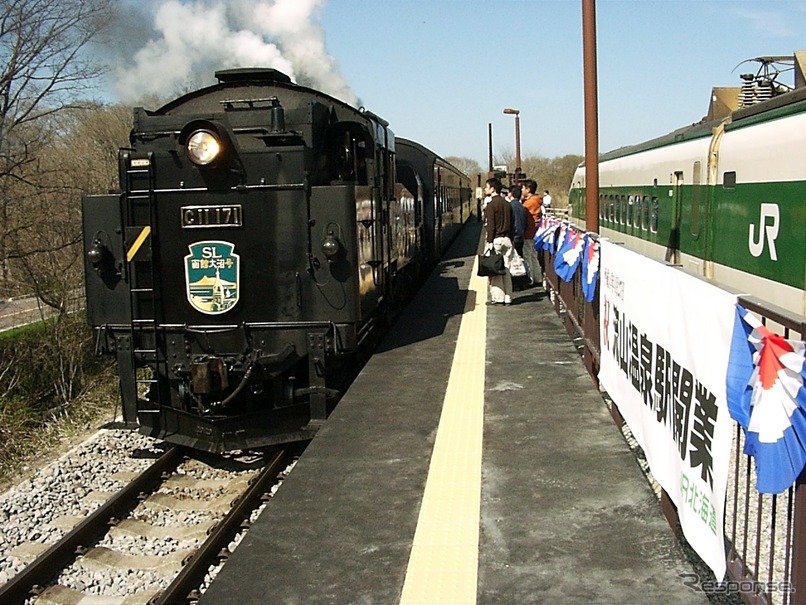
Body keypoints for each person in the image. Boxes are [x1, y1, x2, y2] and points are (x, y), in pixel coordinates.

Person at [483, 177, 514, 305]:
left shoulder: (491, 205)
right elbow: (513, 223)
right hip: (507, 240)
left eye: (487, 187)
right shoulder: (507, 204)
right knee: (506, 268)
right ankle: (508, 297)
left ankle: (498, 297)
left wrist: (489, 242)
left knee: (495, 270)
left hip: (496, 240)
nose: (485, 189)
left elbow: (491, 226)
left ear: (493, 189)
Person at [521, 179, 543, 286]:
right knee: (533, 256)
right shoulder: (536, 200)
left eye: (523, 188)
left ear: (528, 189)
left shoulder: (529, 203)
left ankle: (530, 279)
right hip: (535, 232)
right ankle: (537, 277)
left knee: (527, 256)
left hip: (529, 233)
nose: (522, 190)